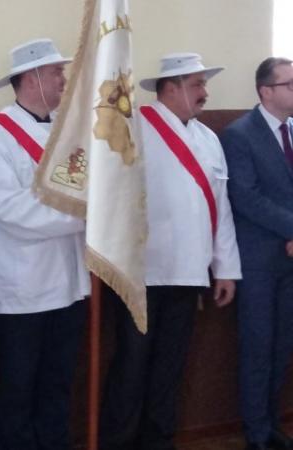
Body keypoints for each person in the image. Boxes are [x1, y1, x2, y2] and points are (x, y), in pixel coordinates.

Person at [99, 53, 241, 450]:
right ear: (171, 88)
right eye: (197, 84)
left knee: (169, 366)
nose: (204, 92)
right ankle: (118, 443)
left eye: (203, 84)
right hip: (141, 274)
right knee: (132, 364)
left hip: (188, 271)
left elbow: (220, 207)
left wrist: (225, 268)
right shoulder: (135, 128)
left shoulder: (208, 139)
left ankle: (158, 441)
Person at [0, 38, 91, 450]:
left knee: (58, 385)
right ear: (32, 77)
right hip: (22, 287)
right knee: (18, 391)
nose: (63, 79)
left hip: (69, 282)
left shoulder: (66, 131)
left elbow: (80, 192)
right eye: (56, 72)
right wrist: (83, 216)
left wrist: (85, 210)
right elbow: (10, 210)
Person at [220, 57, 293, 450]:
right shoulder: (240, 134)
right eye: (290, 84)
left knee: (282, 347)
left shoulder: (292, 130)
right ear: (266, 91)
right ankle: (257, 433)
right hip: (258, 260)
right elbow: (247, 198)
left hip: (289, 258)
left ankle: (273, 426)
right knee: (258, 347)